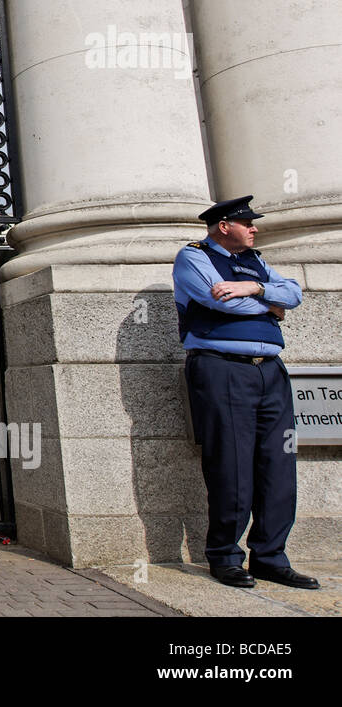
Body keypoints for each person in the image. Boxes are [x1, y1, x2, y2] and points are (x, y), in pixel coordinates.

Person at [172, 197, 318, 590]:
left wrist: (253, 287)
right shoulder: (193, 257)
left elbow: (294, 294)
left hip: (269, 371)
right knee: (230, 464)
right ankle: (225, 556)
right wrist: (271, 306)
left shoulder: (255, 261)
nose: (254, 229)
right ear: (223, 225)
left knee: (278, 464)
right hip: (223, 369)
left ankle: (270, 556)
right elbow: (217, 301)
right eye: (246, 223)